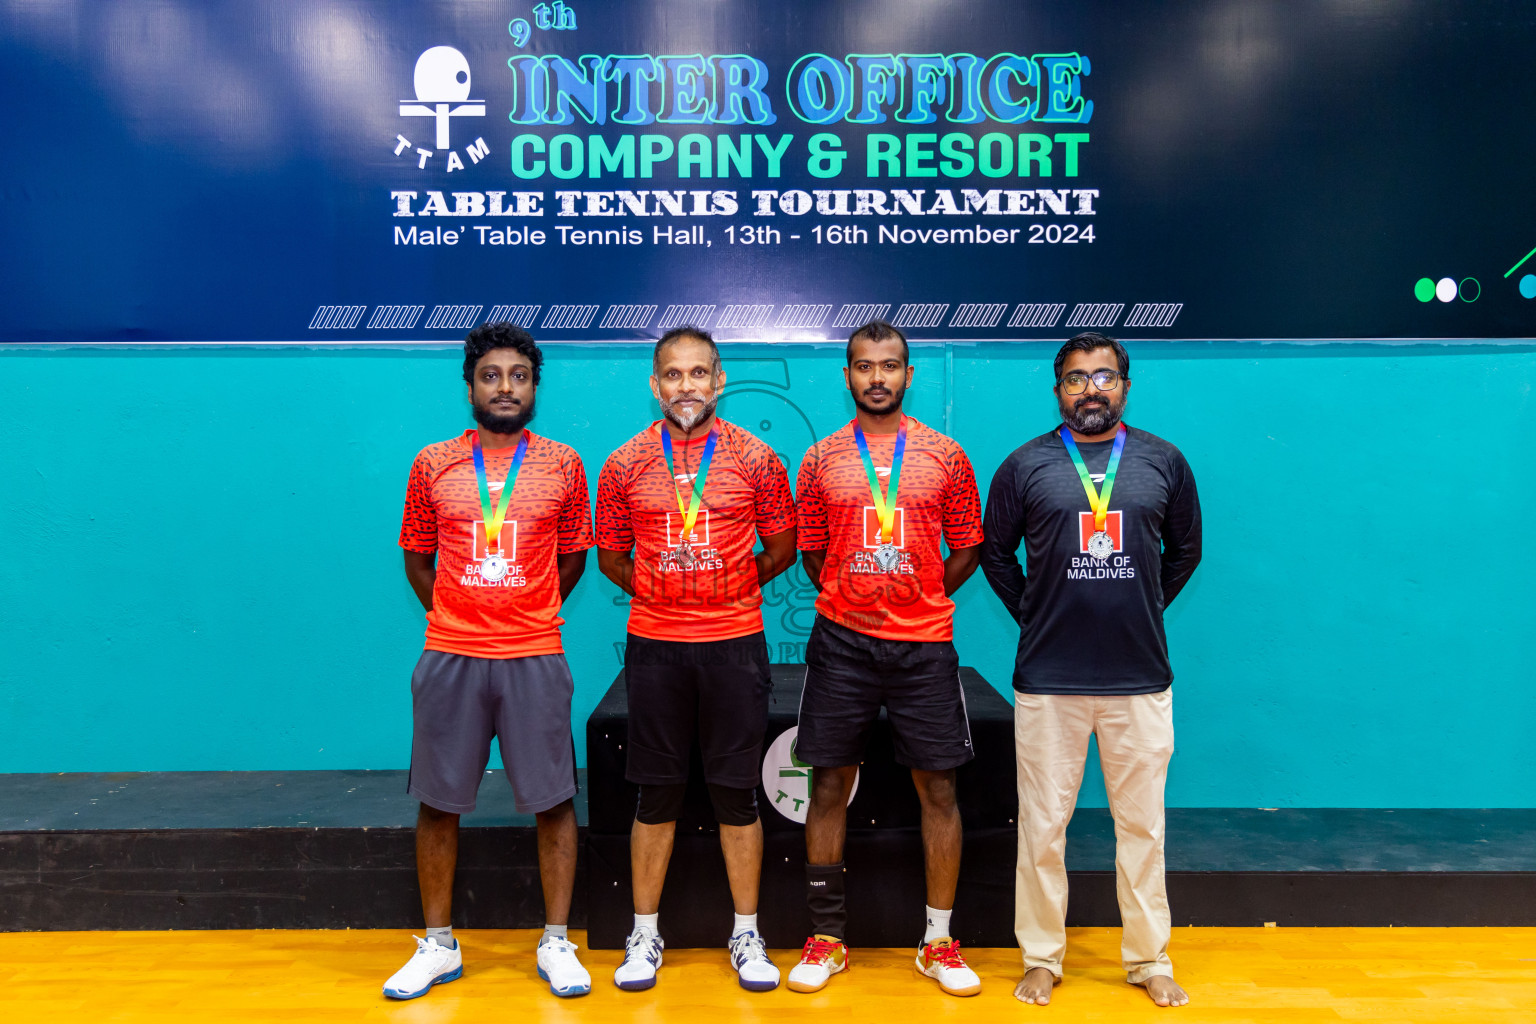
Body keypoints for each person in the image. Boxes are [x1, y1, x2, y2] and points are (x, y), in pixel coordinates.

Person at [978, 332, 1202, 1009]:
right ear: (1058, 391)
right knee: (1043, 828)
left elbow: (1185, 551)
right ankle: (1042, 956)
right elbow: (994, 556)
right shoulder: (1025, 466)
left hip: (1139, 678)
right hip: (1049, 680)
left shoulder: (1164, 461)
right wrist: (1039, 613)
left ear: (1126, 387)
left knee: (1143, 828)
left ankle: (1148, 958)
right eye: (1075, 379)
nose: (1090, 389)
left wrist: (1140, 606)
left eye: (1103, 376)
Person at [387, 323, 594, 1000]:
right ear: (470, 384)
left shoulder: (563, 463)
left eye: (519, 376)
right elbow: (418, 557)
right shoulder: (433, 462)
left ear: (535, 385)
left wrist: (525, 610)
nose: (506, 387)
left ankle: (556, 941)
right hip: (451, 654)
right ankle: (439, 945)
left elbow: (573, 559)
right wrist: (457, 611)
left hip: (534, 653)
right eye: (491, 375)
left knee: (554, 801)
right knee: (437, 804)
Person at [595, 326, 798, 992]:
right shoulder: (624, 463)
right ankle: (644, 934)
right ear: (656, 385)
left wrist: (730, 586)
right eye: (673, 375)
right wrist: (657, 586)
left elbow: (782, 547)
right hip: (655, 647)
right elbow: (611, 555)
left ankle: (747, 932)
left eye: (698, 373)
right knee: (657, 794)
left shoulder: (758, 458)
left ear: (719, 381)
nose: (687, 386)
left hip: (734, 645)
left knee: (737, 795)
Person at [787, 320, 985, 996]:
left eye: (890, 365)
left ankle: (938, 941)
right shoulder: (819, 459)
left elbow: (967, 546)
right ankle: (827, 937)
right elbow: (813, 552)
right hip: (842, 641)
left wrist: (920, 592)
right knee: (828, 787)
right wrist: (857, 596)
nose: (878, 377)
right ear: (847, 376)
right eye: (865, 366)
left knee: (939, 789)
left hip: (924, 643)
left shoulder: (946, 455)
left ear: (908, 374)